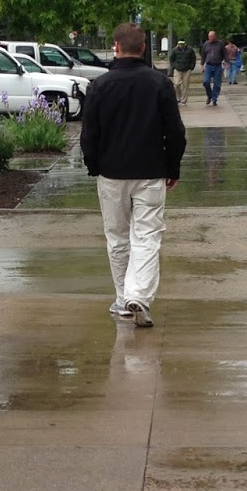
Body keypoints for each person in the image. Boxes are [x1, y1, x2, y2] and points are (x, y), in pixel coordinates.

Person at [80, 21, 186, 329]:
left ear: (116, 46)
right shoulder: (160, 84)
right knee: (147, 236)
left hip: (111, 173)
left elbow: (89, 135)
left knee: (117, 238)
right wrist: (173, 167)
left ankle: (122, 299)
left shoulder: (99, 86)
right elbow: (175, 132)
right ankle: (138, 295)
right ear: (143, 48)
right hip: (150, 172)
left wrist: (94, 165)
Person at [168, 36, 197, 104]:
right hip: (177, 69)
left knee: (185, 85)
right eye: (180, 44)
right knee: (176, 84)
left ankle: (184, 99)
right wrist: (174, 66)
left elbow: (193, 59)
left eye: (182, 44)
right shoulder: (174, 50)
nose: (181, 45)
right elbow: (171, 59)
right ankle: (178, 97)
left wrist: (191, 67)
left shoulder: (190, 50)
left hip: (187, 70)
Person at [201, 30, 226, 105]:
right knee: (206, 81)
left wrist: (227, 62)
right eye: (209, 36)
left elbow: (225, 54)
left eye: (211, 36)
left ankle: (214, 99)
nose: (210, 38)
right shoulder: (206, 44)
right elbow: (203, 55)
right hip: (209, 65)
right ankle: (209, 96)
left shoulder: (220, 44)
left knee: (217, 84)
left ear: (215, 36)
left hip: (217, 65)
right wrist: (202, 65)